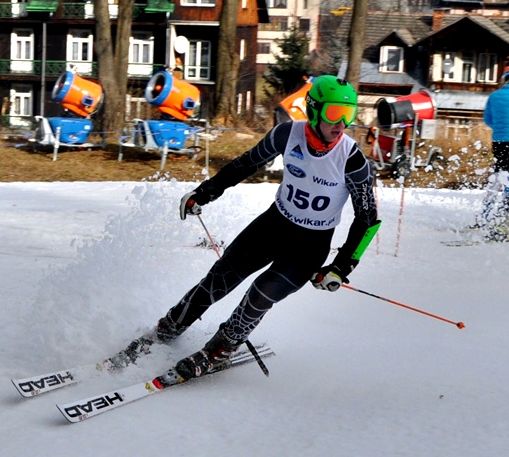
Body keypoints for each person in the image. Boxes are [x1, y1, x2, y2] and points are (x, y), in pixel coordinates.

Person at [107, 75, 381, 380]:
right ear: (314, 110)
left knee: (260, 293)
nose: (342, 123)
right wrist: (206, 192)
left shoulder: (352, 160)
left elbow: (367, 219)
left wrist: (341, 267)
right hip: (273, 226)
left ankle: (221, 349)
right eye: (334, 113)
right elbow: (246, 163)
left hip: (308, 248)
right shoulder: (287, 134)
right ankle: (168, 328)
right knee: (219, 279)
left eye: (349, 114)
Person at [475, 65, 509, 227]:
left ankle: (485, 213)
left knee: (498, 175)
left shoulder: (494, 96)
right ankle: (506, 213)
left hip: (498, 141)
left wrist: (500, 128)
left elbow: (487, 119)